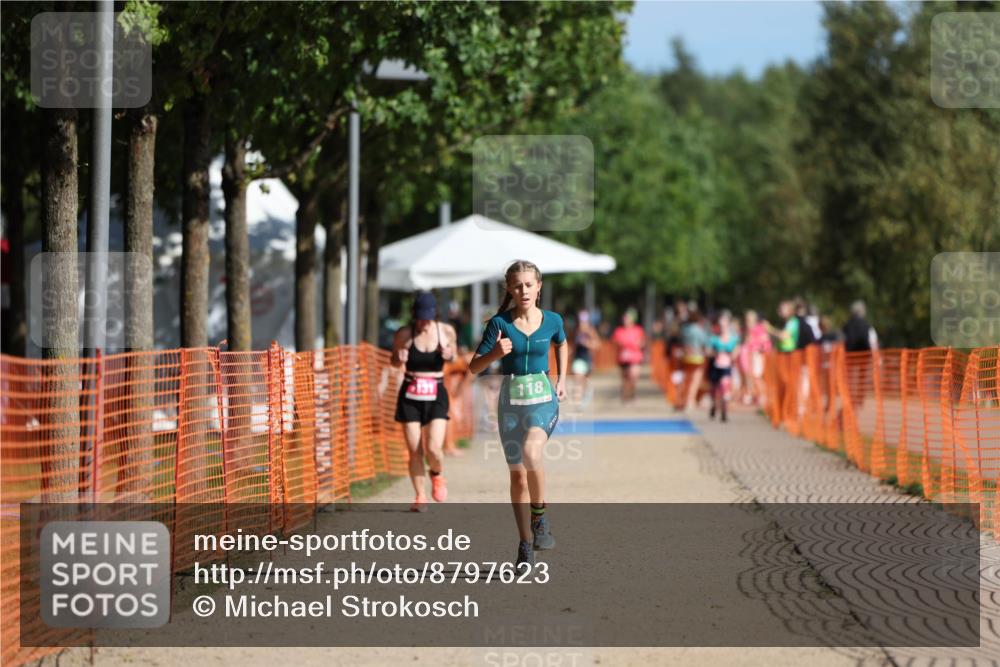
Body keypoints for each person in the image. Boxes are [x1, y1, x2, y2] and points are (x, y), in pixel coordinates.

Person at [469, 260, 568, 568]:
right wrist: (495, 354)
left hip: (543, 401)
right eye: (517, 286)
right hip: (510, 405)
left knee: (531, 452)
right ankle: (525, 543)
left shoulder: (552, 320)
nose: (523, 290)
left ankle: (540, 517)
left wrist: (562, 380)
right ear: (509, 289)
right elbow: (473, 367)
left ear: (538, 287)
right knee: (518, 476)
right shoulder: (499, 324)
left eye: (528, 285)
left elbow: (562, 343)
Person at [391, 292, 457, 512]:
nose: (423, 323)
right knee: (415, 449)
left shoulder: (446, 331)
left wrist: (449, 354)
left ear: (434, 314)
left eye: (427, 318)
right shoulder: (404, 334)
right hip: (410, 394)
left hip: (436, 392)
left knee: (434, 448)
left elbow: (454, 356)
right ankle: (420, 496)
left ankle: (436, 474)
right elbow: (393, 361)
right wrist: (398, 358)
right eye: (420, 318)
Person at [708, 310, 740, 422]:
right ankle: (713, 405)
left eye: (725, 323)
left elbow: (737, 350)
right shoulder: (714, 338)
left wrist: (732, 355)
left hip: (727, 367)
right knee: (714, 388)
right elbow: (708, 351)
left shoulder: (734, 338)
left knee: (724, 386)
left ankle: (724, 410)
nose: (722, 326)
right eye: (721, 324)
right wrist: (715, 353)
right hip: (715, 366)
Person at [676, 305, 710, 412]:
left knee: (686, 379)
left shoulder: (684, 329)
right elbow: (705, 343)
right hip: (697, 357)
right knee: (695, 381)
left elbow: (680, 341)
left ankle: (682, 400)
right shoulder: (699, 330)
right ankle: (690, 401)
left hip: (686, 356)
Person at [612, 307, 645, 403]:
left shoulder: (638, 330)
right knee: (625, 378)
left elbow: (642, 342)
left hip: (635, 357)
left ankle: (632, 394)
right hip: (623, 358)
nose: (625, 320)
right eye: (624, 319)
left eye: (627, 319)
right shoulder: (619, 331)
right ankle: (625, 395)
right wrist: (620, 344)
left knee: (633, 376)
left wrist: (639, 344)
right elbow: (614, 342)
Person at [739, 309, 772, 406]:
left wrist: (758, 347)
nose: (748, 321)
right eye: (747, 319)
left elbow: (766, 343)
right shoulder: (745, 329)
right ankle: (752, 394)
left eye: (750, 319)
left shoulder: (759, 328)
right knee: (748, 375)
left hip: (756, 355)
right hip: (747, 355)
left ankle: (763, 395)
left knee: (757, 376)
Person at [570, 310, 600, 400]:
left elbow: (597, 344)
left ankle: (584, 394)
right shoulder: (575, 331)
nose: (582, 323)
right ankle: (577, 398)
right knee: (577, 378)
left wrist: (587, 343)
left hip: (587, 358)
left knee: (584, 380)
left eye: (584, 321)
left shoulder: (591, 331)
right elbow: (572, 344)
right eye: (581, 321)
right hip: (577, 358)